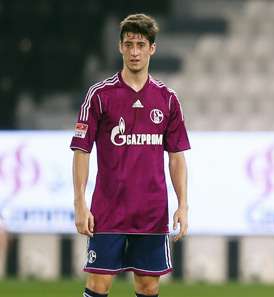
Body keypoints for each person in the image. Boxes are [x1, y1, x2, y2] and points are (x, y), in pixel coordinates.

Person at [71, 14, 190, 297]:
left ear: (152, 48)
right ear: (120, 47)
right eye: (129, 44)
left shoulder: (167, 99)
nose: (134, 51)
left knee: (148, 286)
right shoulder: (100, 96)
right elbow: (81, 151)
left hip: (151, 211)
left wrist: (183, 205)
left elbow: (176, 157)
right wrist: (80, 204)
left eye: (140, 44)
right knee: (98, 283)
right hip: (108, 210)